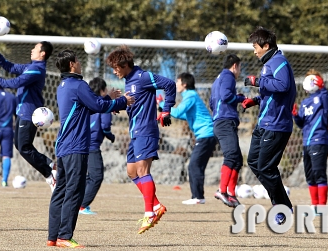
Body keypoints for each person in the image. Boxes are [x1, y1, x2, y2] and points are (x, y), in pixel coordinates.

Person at [47, 50, 133, 248]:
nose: (80, 63)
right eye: (77, 60)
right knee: (74, 191)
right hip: (76, 146)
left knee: (60, 191)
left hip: (63, 145)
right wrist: (121, 101)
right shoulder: (78, 85)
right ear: (71, 64)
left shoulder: (64, 85)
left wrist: (109, 98)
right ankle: (64, 237)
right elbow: (97, 106)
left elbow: (88, 105)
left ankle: (53, 236)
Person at [105, 45, 176, 234]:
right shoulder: (128, 81)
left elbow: (170, 84)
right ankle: (156, 205)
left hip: (146, 131)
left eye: (115, 67)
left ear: (124, 64)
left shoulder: (143, 76)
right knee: (131, 172)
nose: (114, 71)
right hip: (135, 132)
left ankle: (149, 213)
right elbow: (136, 105)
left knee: (143, 170)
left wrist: (166, 109)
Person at [0, 41, 58, 192]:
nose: (32, 50)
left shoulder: (37, 69)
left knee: (24, 147)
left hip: (29, 113)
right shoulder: (31, 67)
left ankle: (50, 172)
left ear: (42, 53)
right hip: (22, 112)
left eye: (35, 48)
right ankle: (51, 168)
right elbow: (10, 67)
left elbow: (15, 82)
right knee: (20, 146)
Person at [245, 26, 296, 224]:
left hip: (276, 125)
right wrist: (256, 100)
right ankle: (280, 203)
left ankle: (283, 207)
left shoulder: (279, 61)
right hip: (264, 123)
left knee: (266, 167)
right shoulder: (270, 62)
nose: (254, 50)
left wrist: (257, 81)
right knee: (253, 162)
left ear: (266, 45)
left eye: (255, 46)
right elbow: (273, 92)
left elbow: (283, 87)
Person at [157, 72, 216, 205]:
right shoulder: (190, 96)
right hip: (207, 135)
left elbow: (177, 112)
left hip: (206, 134)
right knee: (196, 165)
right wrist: (162, 108)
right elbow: (184, 116)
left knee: (194, 165)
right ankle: (198, 196)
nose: (176, 85)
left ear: (184, 84)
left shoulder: (191, 96)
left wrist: (163, 104)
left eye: (177, 82)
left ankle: (198, 197)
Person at [209, 55, 257, 208]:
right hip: (224, 122)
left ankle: (231, 194)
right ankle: (222, 191)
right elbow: (226, 96)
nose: (239, 71)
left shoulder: (218, 79)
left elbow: (212, 102)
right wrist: (240, 98)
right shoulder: (228, 76)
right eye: (240, 68)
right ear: (235, 66)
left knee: (237, 159)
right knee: (231, 156)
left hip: (221, 121)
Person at [292, 70, 328, 214]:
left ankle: (322, 207)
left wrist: (323, 88)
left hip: (320, 139)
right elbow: (302, 124)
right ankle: (314, 205)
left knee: (318, 172)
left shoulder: (324, 97)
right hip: (307, 141)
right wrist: (295, 115)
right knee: (309, 174)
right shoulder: (305, 102)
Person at [78, 77, 116, 215]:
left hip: (80, 144)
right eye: (105, 89)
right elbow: (105, 127)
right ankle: (82, 206)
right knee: (96, 176)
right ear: (101, 90)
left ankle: (80, 204)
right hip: (92, 146)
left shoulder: (86, 102)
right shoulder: (103, 106)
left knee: (89, 177)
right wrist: (111, 136)